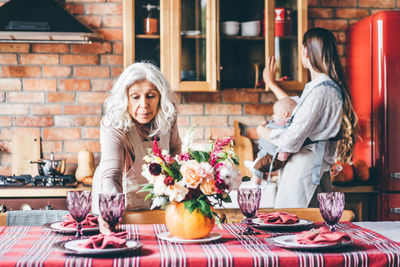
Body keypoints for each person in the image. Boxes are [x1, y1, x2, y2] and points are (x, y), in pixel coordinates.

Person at [257, 27, 358, 208]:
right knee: (309, 230)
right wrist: (272, 84)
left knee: (298, 228)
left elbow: (290, 139)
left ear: (306, 52)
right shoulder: (322, 88)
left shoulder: (322, 90)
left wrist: (261, 131)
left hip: (306, 169)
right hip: (308, 167)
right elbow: (298, 110)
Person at [92, 62, 182, 218]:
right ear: (125, 98)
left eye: (150, 96)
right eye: (135, 97)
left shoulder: (168, 116)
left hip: (158, 207)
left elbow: (175, 150)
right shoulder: (114, 123)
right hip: (121, 207)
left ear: (160, 97)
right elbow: (111, 174)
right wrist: (111, 209)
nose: (144, 105)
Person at [246, 97, 297, 186]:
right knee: (260, 158)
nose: (273, 116)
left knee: (260, 159)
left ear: (284, 114)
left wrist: (264, 129)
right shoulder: (293, 124)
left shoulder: (283, 125)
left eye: (275, 113)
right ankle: (255, 170)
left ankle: (256, 184)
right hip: (275, 153)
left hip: (276, 153)